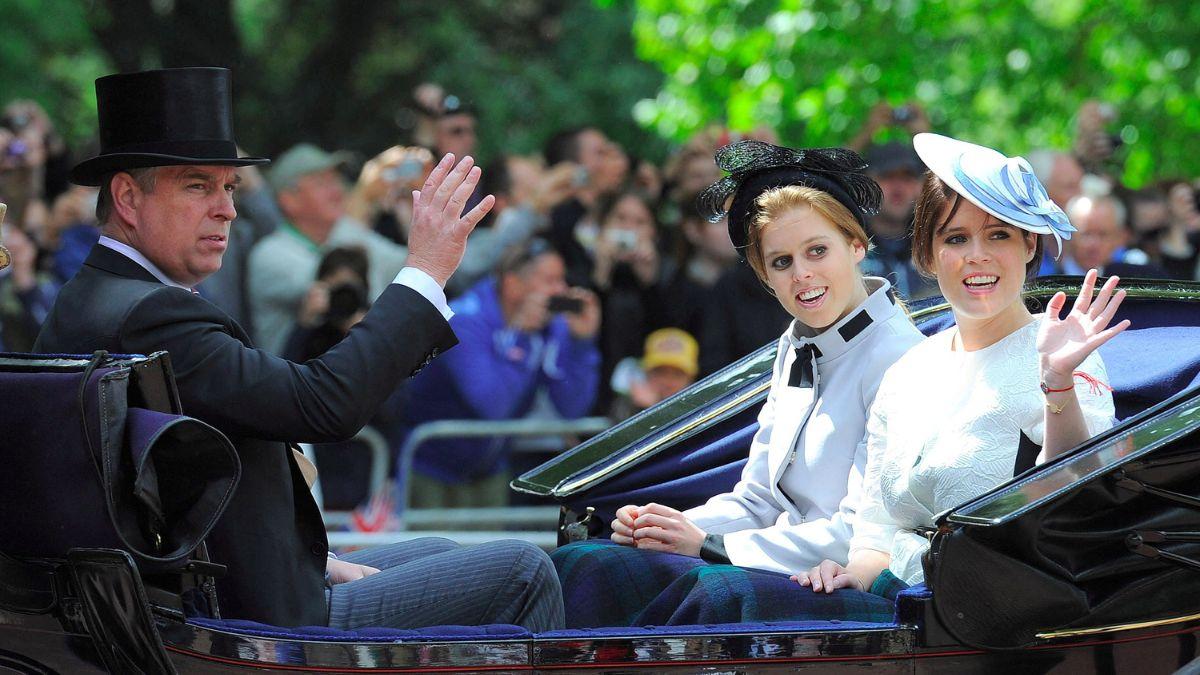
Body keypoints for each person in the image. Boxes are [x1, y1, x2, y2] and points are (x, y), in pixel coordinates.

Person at [34, 67, 563, 632]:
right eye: (197, 186)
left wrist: (317, 561)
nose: (227, 209)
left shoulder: (95, 297)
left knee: (440, 549)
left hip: (218, 588)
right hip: (243, 622)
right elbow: (321, 404)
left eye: (229, 187)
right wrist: (426, 271)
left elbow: (178, 487)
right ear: (127, 198)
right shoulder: (150, 314)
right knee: (525, 570)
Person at [551, 141, 924, 627]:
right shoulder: (796, 342)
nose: (802, 274)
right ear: (765, 275)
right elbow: (758, 500)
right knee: (587, 561)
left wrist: (710, 545)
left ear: (857, 246)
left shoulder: (901, 357)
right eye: (781, 262)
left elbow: (861, 533)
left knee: (713, 594)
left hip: (843, 576)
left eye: (817, 250)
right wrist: (669, 527)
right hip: (775, 560)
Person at [793, 133, 1123, 607]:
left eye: (999, 234)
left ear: (1029, 244)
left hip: (1001, 611)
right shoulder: (906, 372)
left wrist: (1058, 384)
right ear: (928, 255)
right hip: (901, 608)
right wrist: (848, 578)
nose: (977, 255)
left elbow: (1080, 497)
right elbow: (877, 533)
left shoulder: (1060, 353)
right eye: (956, 238)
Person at [402, 237, 601, 507]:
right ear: (512, 284)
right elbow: (493, 407)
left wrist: (581, 344)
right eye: (551, 280)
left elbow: (572, 409)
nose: (562, 290)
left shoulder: (549, 324)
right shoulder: (464, 321)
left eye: (562, 280)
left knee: (492, 535)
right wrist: (521, 339)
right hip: (432, 469)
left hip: (490, 468)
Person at [247, 142, 410, 353]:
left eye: (335, 180)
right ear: (289, 201)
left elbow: (410, 267)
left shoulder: (343, 231)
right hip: (290, 371)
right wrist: (362, 198)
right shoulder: (269, 255)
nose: (337, 191)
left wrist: (415, 205)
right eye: (321, 183)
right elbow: (344, 288)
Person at [1052, 193, 1169, 278]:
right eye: (1086, 234)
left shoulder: (1141, 279)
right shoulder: (1045, 282)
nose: (1094, 245)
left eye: (1103, 235)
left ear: (1120, 238)